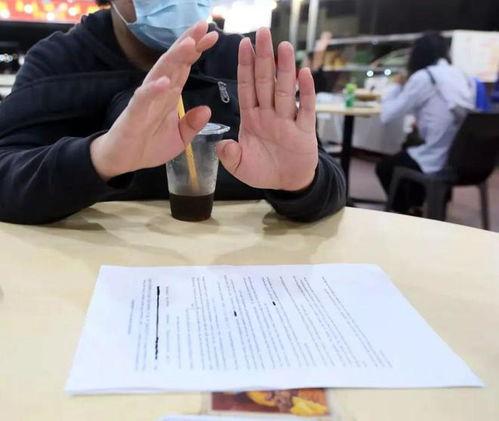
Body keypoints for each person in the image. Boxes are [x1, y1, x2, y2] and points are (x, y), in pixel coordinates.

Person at [0, 0, 346, 225]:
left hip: (235, 277)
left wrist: (301, 185)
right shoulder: (58, 62)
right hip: (86, 281)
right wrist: (99, 158)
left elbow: (327, 186)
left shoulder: (243, 62)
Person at [376, 32, 475, 214]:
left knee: (384, 167)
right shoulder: (460, 74)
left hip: (436, 157)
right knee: (409, 144)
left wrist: (397, 85)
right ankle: (418, 204)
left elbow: (387, 115)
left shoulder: (424, 77)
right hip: (465, 161)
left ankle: (406, 214)